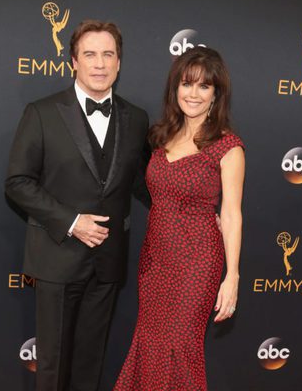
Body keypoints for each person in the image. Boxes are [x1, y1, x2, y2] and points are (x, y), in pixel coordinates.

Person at [5, 20, 150, 391]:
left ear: (119, 63)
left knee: (91, 364)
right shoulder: (41, 112)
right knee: (52, 367)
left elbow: (144, 184)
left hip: (107, 263)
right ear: (73, 61)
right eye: (90, 54)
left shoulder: (137, 119)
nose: (99, 64)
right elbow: (18, 183)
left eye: (108, 54)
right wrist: (72, 221)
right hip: (56, 259)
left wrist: (193, 211)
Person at [114, 46, 245, 390]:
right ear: (175, 89)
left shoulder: (228, 147)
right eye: (187, 84)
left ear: (217, 94)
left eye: (205, 86)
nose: (194, 94)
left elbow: (231, 213)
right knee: (150, 341)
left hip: (197, 261)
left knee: (179, 346)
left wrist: (231, 277)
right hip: (155, 258)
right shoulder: (161, 137)